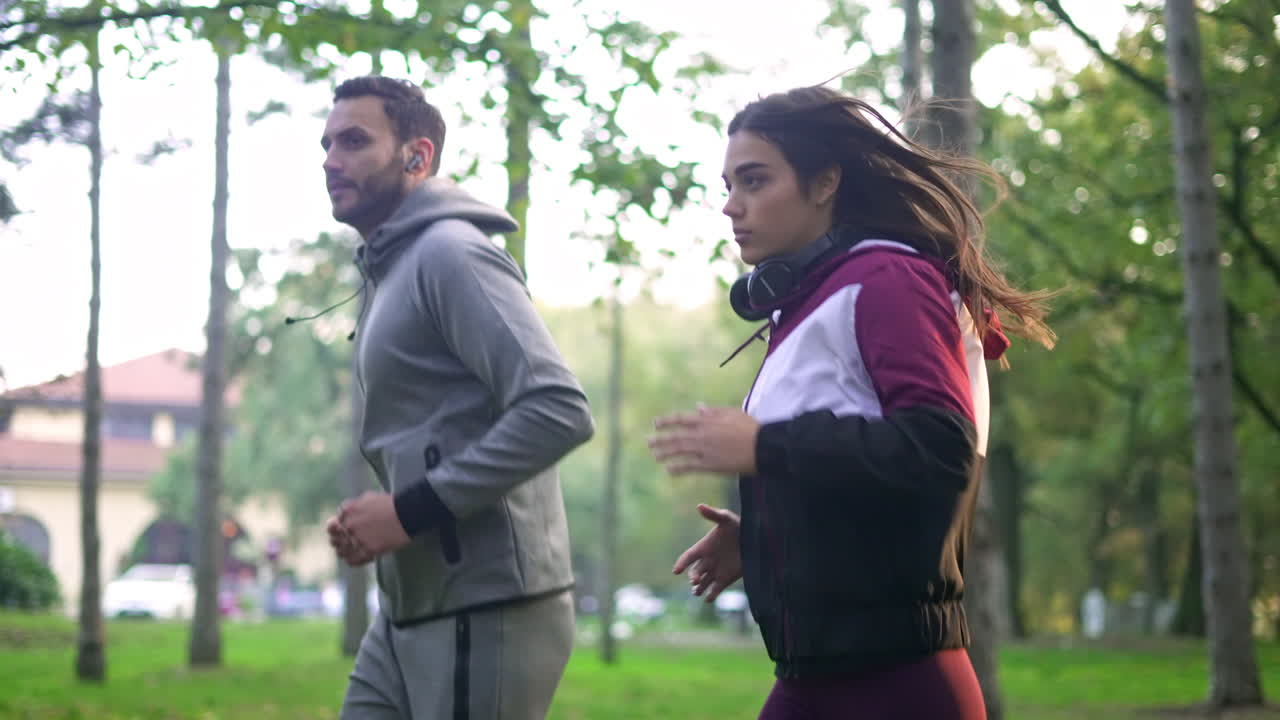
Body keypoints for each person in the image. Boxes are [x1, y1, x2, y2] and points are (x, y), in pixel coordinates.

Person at [648, 85, 1055, 719]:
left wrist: (762, 445)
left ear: (824, 182)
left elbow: (939, 449)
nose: (731, 207)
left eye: (754, 181)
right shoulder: (814, 299)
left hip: (898, 686)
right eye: (727, 185)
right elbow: (856, 465)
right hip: (817, 679)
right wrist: (762, 537)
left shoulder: (889, 281)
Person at [318, 76, 595, 720]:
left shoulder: (452, 254)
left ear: (418, 156)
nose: (332, 160)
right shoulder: (392, 268)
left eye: (354, 141)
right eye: (327, 144)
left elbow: (559, 409)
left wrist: (408, 511)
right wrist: (383, 519)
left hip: (487, 604)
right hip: (410, 605)